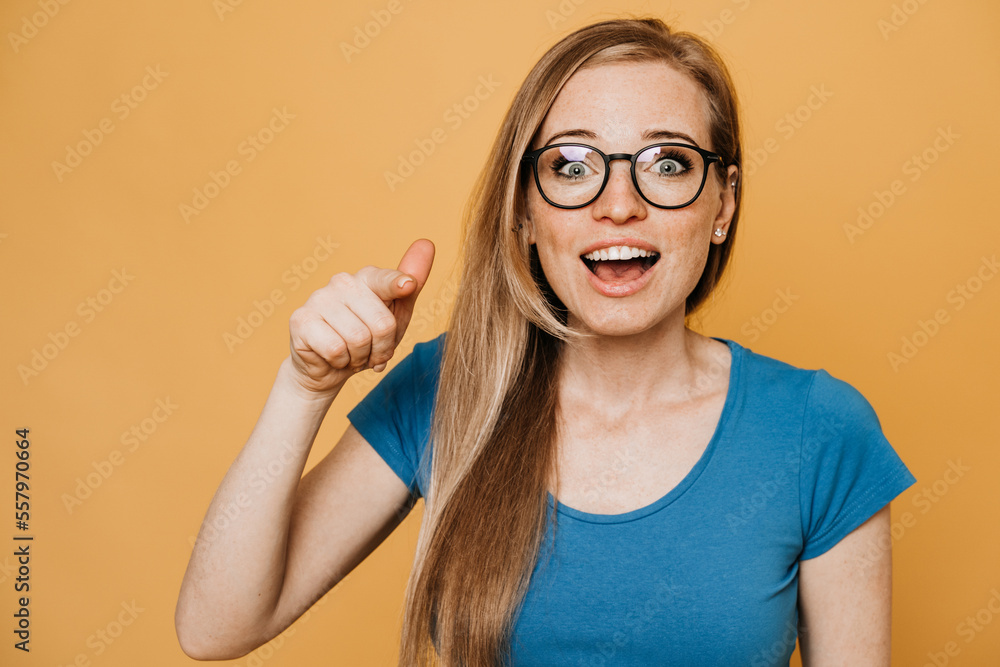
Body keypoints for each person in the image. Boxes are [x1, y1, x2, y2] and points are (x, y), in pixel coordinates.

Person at [175, 17, 917, 666]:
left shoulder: (819, 430)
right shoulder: (450, 390)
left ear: (723, 204)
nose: (618, 205)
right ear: (525, 212)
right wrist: (304, 385)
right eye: (571, 166)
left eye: (667, 164)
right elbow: (216, 627)